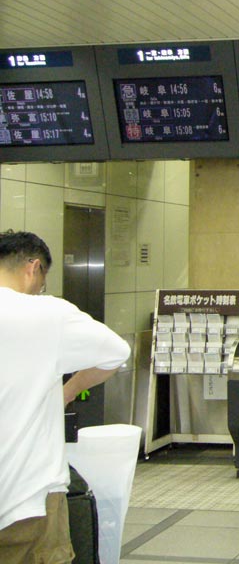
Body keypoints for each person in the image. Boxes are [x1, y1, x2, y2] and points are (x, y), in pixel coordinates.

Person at [0, 231, 131, 564]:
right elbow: (116, 353)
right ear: (34, 267)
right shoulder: (46, 314)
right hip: (27, 500)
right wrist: (67, 392)